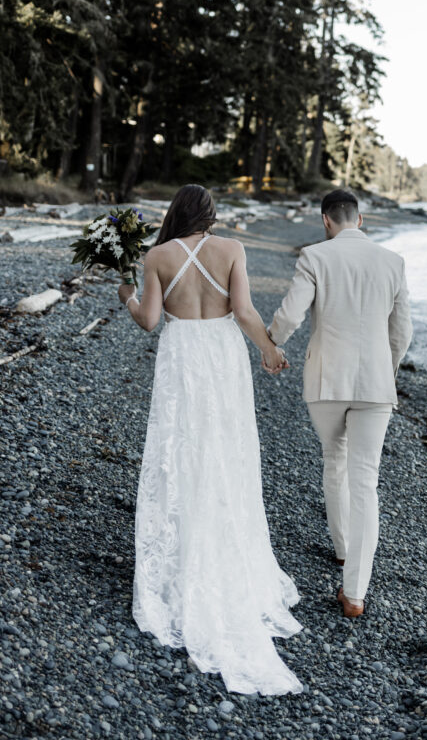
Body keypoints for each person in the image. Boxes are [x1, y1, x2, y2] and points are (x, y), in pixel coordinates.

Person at [117, 184, 302, 695]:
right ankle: (225, 549)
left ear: (175, 214)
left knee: (182, 452)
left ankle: (182, 557)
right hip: (221, 360)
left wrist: (128, 296)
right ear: (211, 215)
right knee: (227, 452)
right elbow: (242, 311)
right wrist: (267, 347)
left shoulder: (157, 256)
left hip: (181, 361)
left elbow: (150, 321)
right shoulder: (231, 250)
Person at [267, 189, 413, 618]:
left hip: (327, 380)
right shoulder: (394, 262)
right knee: (365, 478)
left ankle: (344, 550)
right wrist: (389, 367)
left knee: (335, 458)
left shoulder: (315, 257)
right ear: (360, 220)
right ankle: (354, 592)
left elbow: (292, 315)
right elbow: (401, 332)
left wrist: (272, 342)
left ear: (326, 221)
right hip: (374, 383)